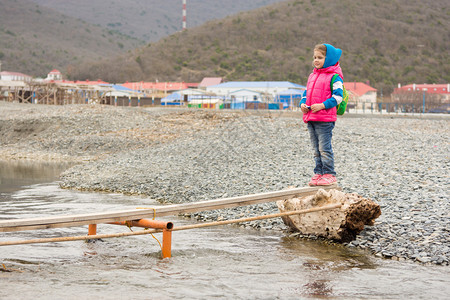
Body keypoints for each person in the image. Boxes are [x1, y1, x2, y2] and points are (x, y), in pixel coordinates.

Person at [299, 43, 344, 186]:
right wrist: (303, 104)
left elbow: (338, 97)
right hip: (311, 117)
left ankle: (330, 174)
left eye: (320, 57)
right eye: (314, 57)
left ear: (328, 58)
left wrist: (322, 105)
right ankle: (318, 173)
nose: (316, 60)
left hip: (325, 119)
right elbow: (306, 93)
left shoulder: (335, 77)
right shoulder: (312, 76)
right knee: (315, 149)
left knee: (324, 148)